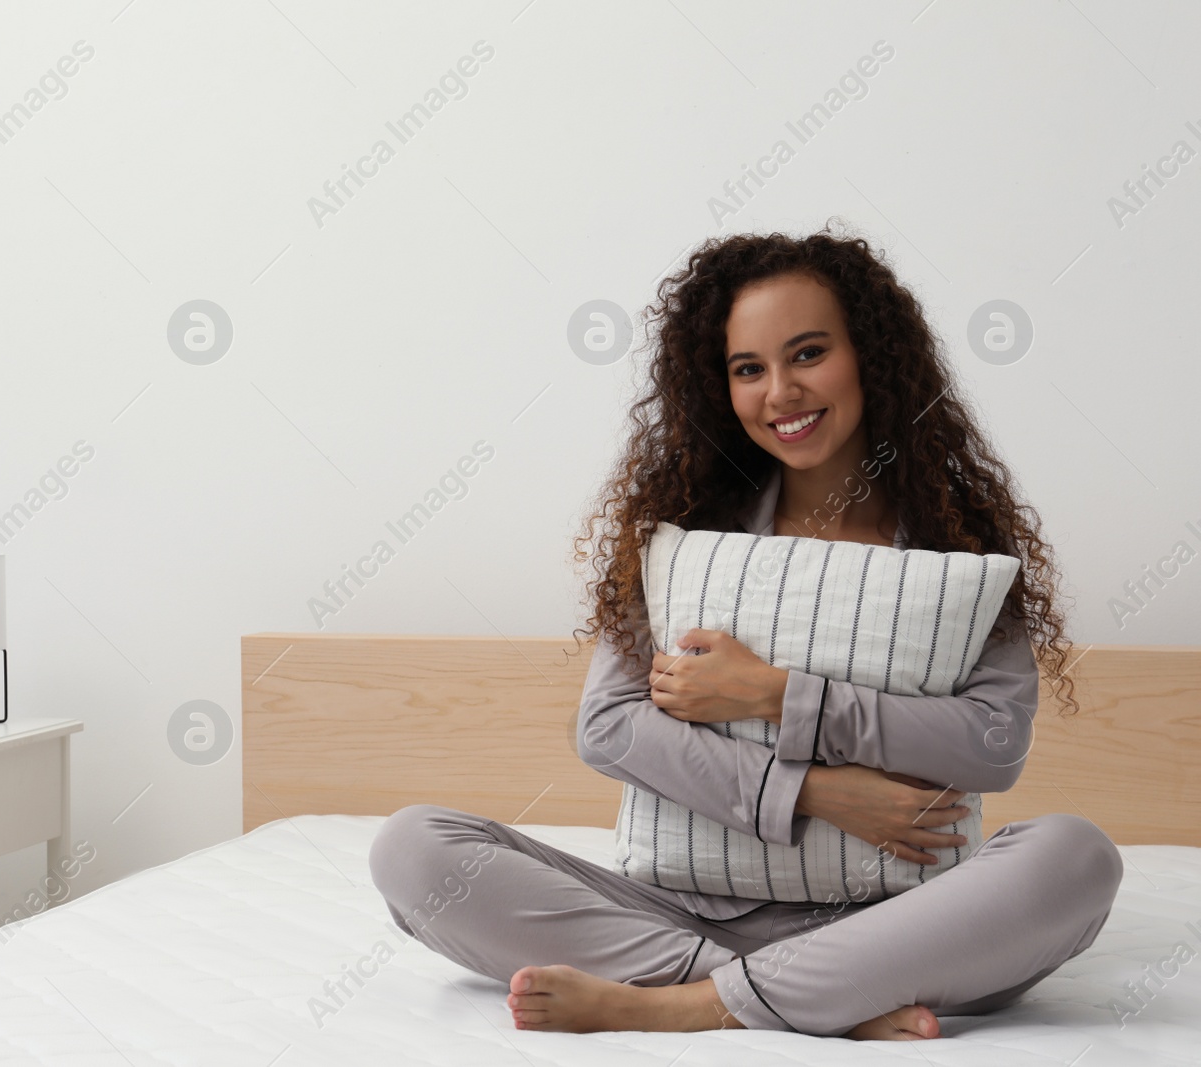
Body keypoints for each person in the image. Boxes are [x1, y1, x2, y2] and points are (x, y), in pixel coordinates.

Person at [367, 225, 1121, 1040]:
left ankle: (692, 1003)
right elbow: (610, 726)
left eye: (807, 354)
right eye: (747, 369)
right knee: (414, 850)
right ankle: (804, 998)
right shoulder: (681, 535)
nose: (780, 392)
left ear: (869, 354)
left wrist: (779, 695)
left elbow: (994, 744)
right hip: (679, 913)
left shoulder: (956, 545)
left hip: (893, 922)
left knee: (1076, 858)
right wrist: (811, 793)